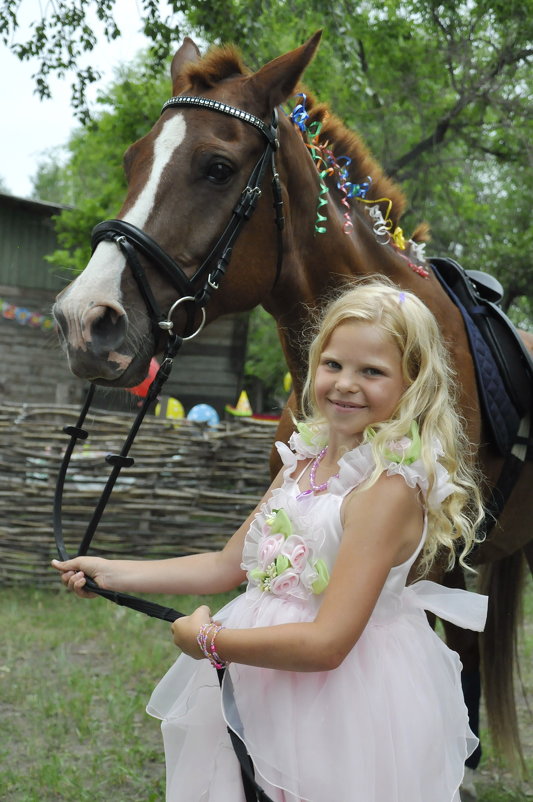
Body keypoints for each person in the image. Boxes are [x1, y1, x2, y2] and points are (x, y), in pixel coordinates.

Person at [53, 279, 488, 802]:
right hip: (264, 678)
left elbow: (328, 644)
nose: (346, 384)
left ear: (412, 382)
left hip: (342, 698)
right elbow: (225, 565)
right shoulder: (303, 461)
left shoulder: (386, 489)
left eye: (371, 371)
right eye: (333, 365)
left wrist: (211, 644)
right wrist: (113, 570)